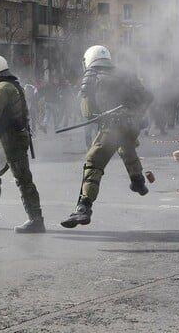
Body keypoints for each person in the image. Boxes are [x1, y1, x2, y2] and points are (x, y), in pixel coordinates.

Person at [61, 45, 153, 228]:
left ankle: (83, 208)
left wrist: (101, 114)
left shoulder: (92, 76)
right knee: (127, 149)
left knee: (93, 161)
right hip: (132, 125)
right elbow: (148, 97)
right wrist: (134, 113)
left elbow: (88, 112)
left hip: (113, 127)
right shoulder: (126, 74)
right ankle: (138, 182)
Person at [0, 54, 45, 233]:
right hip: (7, 138)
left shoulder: (2, 87)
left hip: (12, 139)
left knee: (22, 178)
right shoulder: (4, 85)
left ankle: (36, 220)